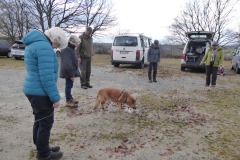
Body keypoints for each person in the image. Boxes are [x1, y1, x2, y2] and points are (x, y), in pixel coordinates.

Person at [22, 27, 67, 160]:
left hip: (33, 89)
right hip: (40, 92)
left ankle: (42, 147)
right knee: (46, 122)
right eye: (58, 44)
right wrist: (55, 98)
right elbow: (46, 77)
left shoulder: (35, 44)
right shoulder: (44, 48)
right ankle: (43, 154)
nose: (57, 47)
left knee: (39, 120)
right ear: (54, 39)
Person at [60, 35, 81, 108]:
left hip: (71, 71)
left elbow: (72, 60)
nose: (77, 45)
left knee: (70, 85)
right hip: (69, 72)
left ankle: (70, 98)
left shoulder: (71, 49)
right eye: (76, 43)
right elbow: (67, 64)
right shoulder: (67, 49)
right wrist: (71, 75)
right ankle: (68, 101)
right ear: (72, 42)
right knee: (68, 86)